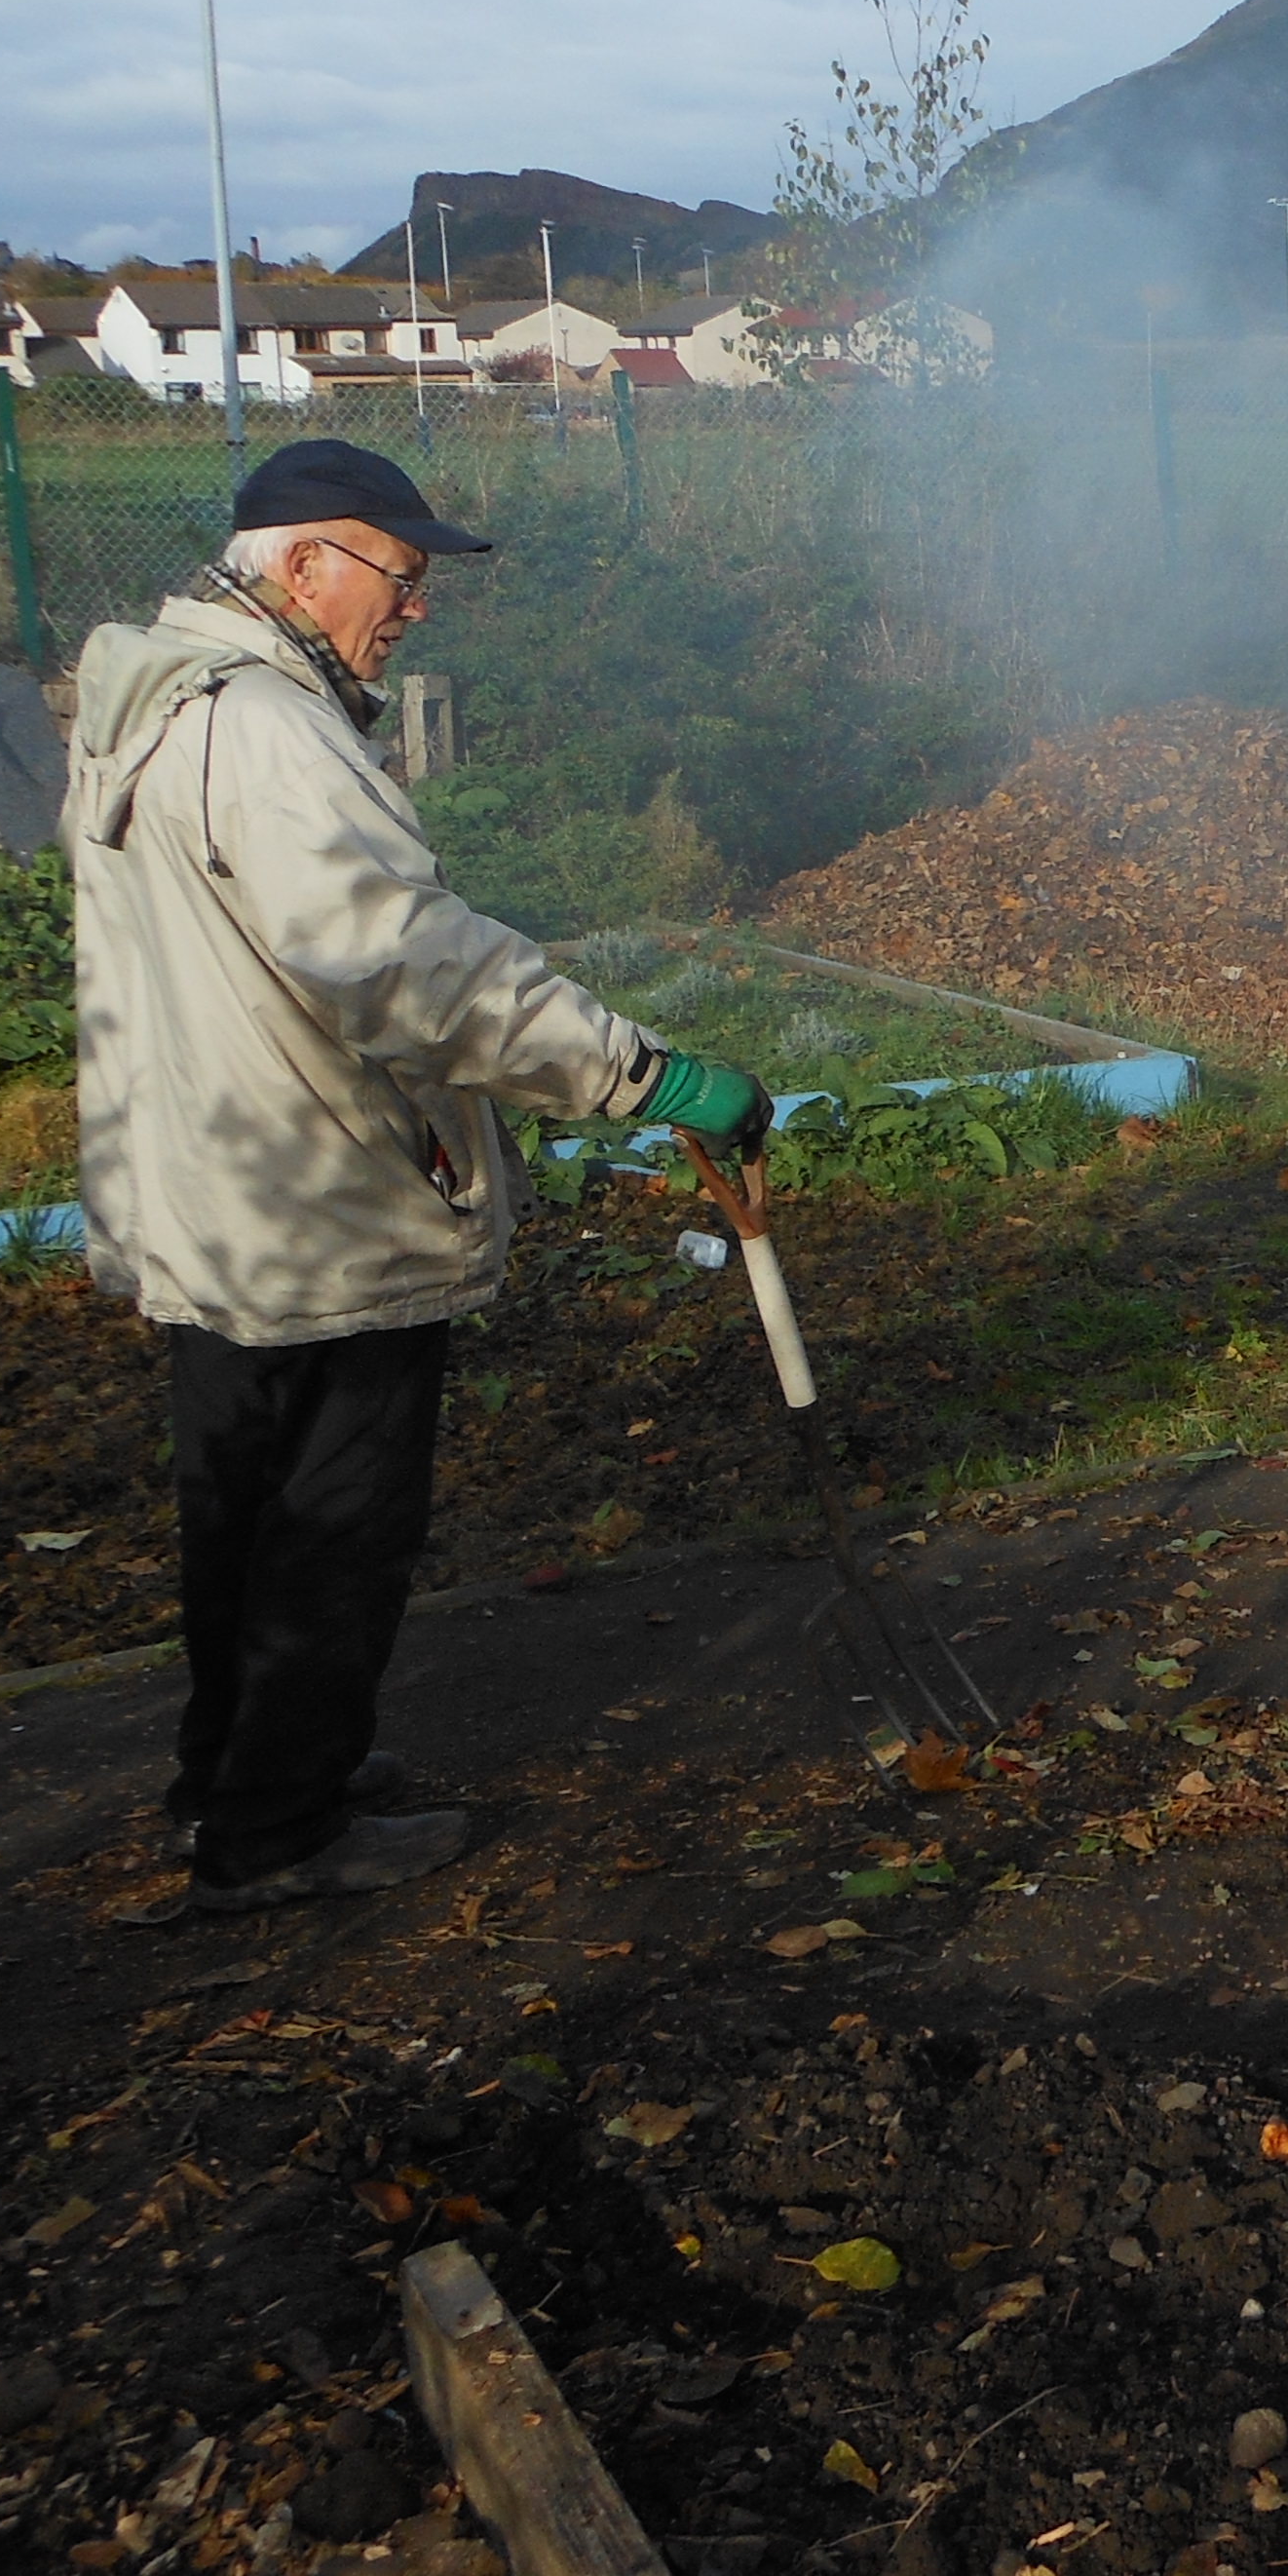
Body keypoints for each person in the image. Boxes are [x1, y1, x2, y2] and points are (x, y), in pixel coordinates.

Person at [64, 438, 768, 1914]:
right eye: (401, 572)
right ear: (304, 562)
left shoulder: (151, 701)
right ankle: (279, 1835)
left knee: (241, 1519)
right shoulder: (266, 731)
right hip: (323, 1202)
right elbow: (405, 965)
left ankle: (235, 1773)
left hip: (211, 1189)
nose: (417, 605)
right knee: (335, 1525)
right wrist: (641, 1073)